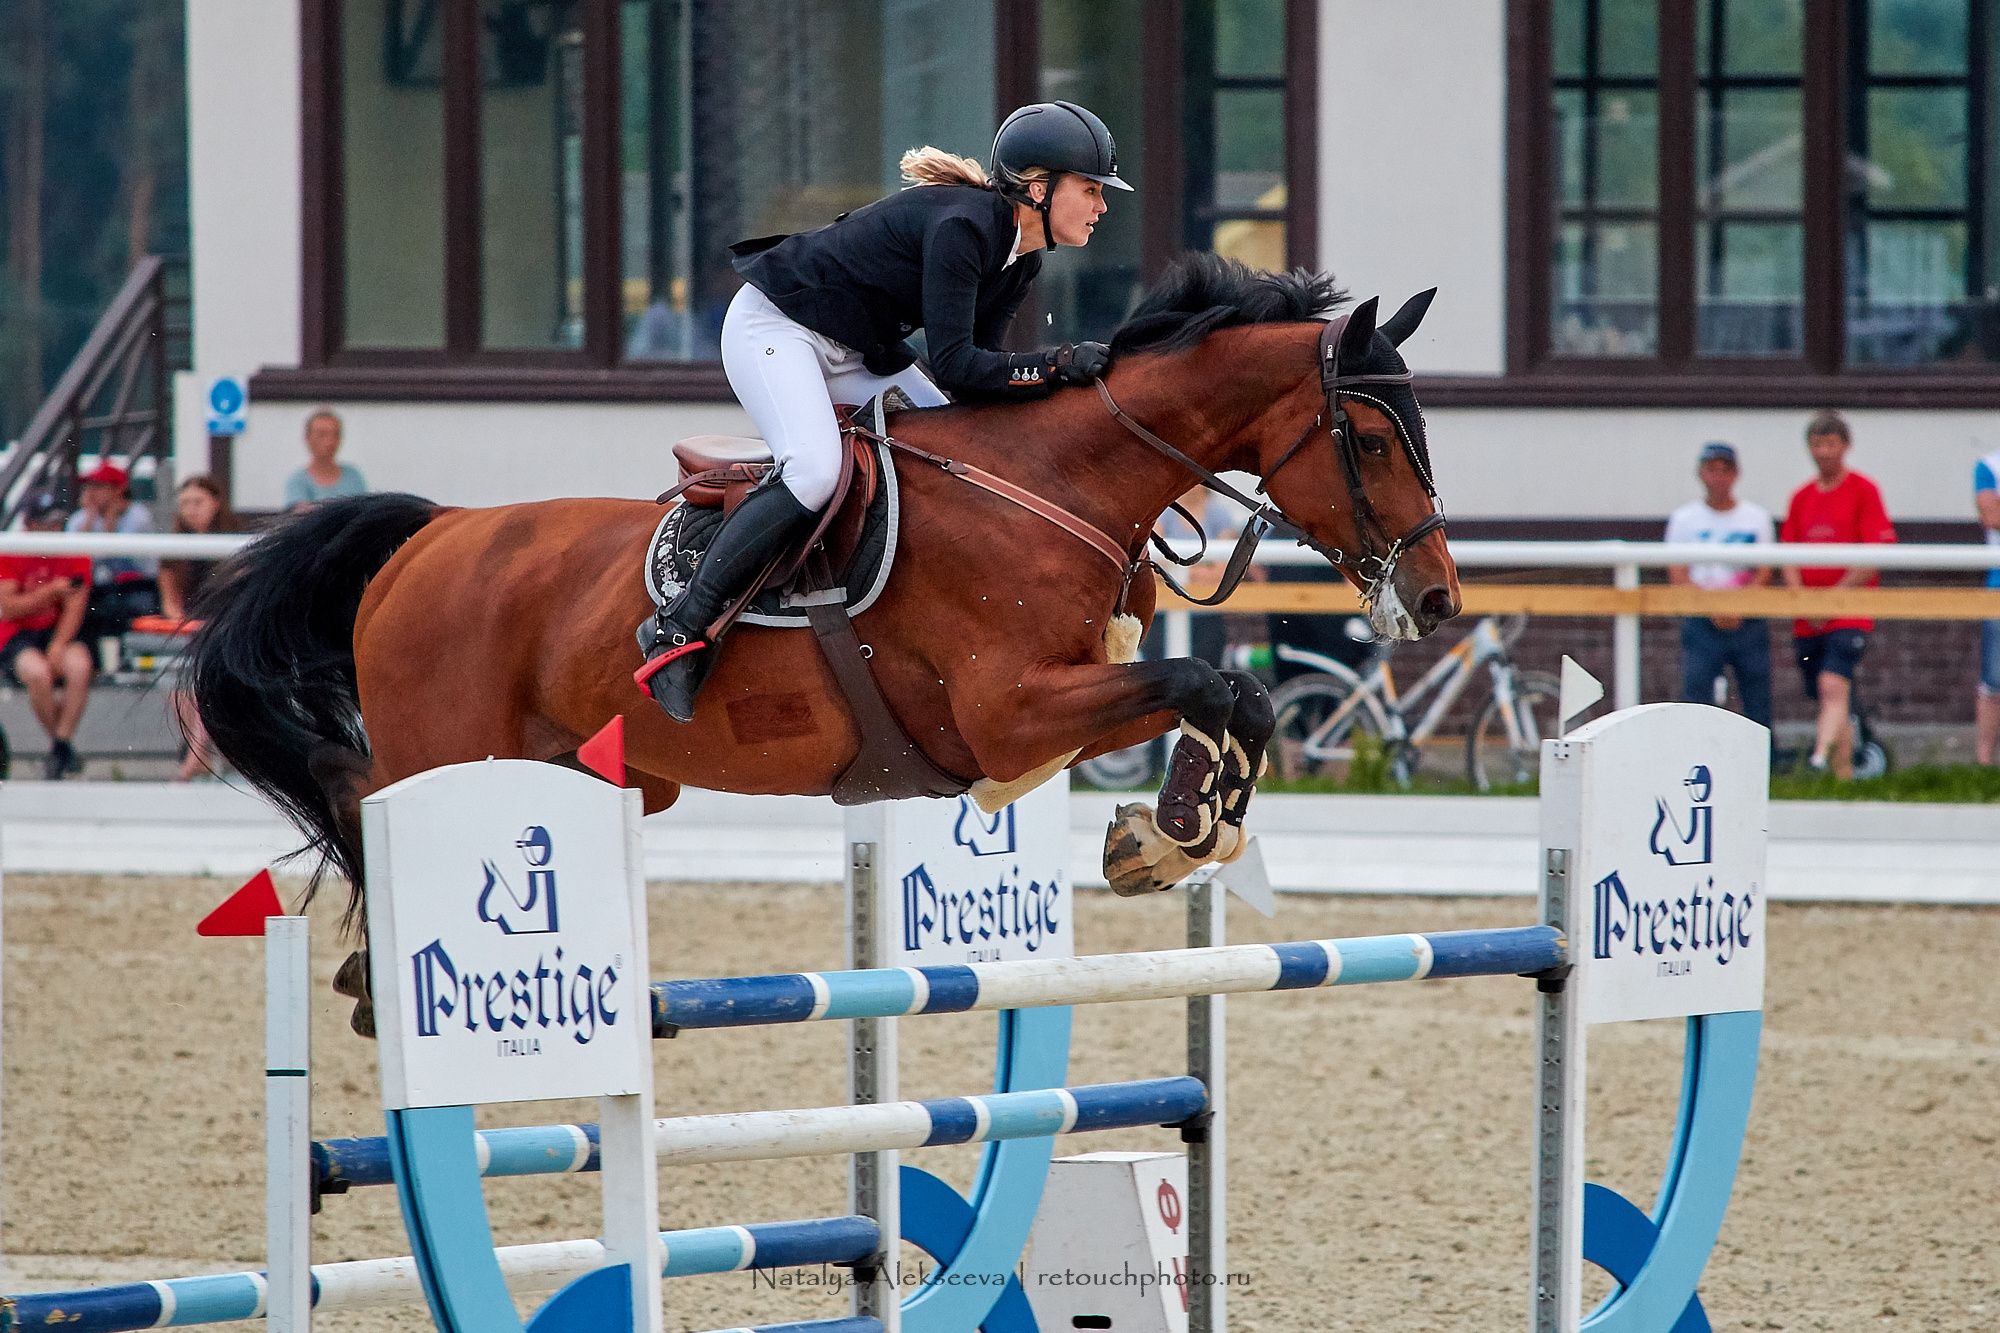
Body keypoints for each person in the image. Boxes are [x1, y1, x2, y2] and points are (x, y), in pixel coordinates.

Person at [635, 101, 1133, 722]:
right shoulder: (964, 229)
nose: (1102, 206)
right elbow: (956, 365)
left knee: (963, 443)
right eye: (1091, 189)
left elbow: (973, 389)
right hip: (777, 326)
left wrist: (1062, 388)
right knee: (813, 471)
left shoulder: (1020, 258)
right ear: (1039, 188)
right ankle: (678, 628)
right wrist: (1057, 365)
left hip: (857, 345)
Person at [1781, 410, 1897, 778]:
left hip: (1849, 612)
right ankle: (1843, 776)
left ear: (1845, 446)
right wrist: (1804, 599)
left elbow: (1873, 553)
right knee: (1831, 694)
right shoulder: (1801, 497)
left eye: (1831, 444)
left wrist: (1832, 597)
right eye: (1817, 444)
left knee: (1832, 683)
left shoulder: (1864, 490)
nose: (1824, 452)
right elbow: (1787, 555)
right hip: (1809, 617)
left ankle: (1816, 759)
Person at [1665, 442, 1774, 731]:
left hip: (1747, 620)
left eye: (1725, 470)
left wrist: (1737, 607)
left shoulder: (1756, 518)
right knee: (1696, 697)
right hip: (1702, 621)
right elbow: (1678, 574)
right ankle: (1694, 756)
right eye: (1712, 470)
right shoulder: (1684, 520)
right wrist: (1713, 608)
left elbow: (1765, 571)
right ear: (1701, 474)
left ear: (1736, 474)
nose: (1719, 477)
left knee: (1757, 698)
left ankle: (1765, 764)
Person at [1, 494, 94, 779]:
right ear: (29, 525)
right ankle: (61, 745)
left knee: (80, 666)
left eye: (58, 523)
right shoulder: (11, 550)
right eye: (48, 524)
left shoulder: (73, 551)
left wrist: (59, 644)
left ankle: (60, 745)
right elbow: (8, 609)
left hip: (55, 630)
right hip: (17, 633)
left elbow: (75, 607)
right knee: (38, 674)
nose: (55, 530)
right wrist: (50, 591)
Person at [159, 475, 236, 780]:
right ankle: (198, 751)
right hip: (189, 628)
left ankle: (194, 756)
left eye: (198, 502)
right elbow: (169, 600)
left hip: (225, 627)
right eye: (185, 503)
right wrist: (182, 623)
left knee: (204, 678)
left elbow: (236, 596)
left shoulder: (232, 544)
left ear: (215, 504)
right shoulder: (173, 547)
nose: (190, 509)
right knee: (177, 684)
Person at [66, 461, 159, 645]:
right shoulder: (80, 520)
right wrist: (91, 519)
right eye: (89, 486)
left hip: (135, 587)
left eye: (99, 486)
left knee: (124, 608)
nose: (91, 492)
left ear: (118, 490)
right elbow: (74, 562)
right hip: (96, 589)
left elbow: (142, 566)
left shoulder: (139, 518)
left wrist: (110, 523)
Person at [284, 410, 368, 510]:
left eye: (335, 434)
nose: (329, 441)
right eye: (322, 434)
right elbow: (299, 517)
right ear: (307, 438)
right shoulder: (297, 481)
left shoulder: (354, 476)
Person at [1976, 447, 2000, 764]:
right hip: (1999, 586)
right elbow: (1991, 517)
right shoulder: (1990, 465)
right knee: (1994, 680)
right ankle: (1982, 769)